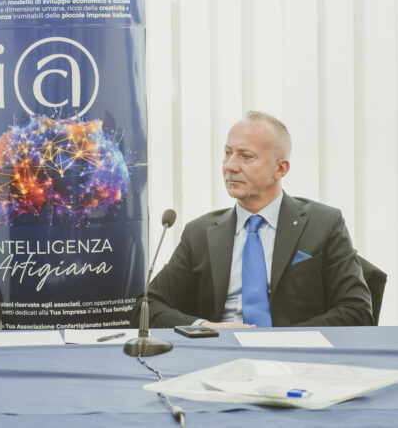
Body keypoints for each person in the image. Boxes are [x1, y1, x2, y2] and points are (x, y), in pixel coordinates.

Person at [134, 111, 373, 328]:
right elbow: (146, 307)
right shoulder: (200, 233)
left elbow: (356, 310)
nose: (230, 166)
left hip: (295, 355)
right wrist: (205, 326)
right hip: (220, 352)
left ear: (280, 169)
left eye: (246, 156)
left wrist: (282, 342)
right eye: (227, 153)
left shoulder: (323, 224)